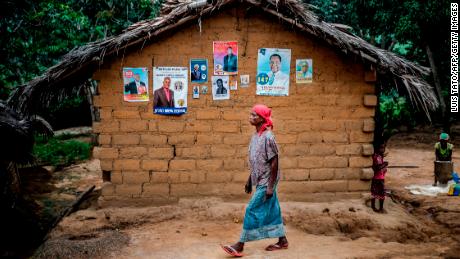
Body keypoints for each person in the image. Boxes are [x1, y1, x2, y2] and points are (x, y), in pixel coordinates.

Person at [221, 104, 288, 257]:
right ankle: (282, 240)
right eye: (250, 114)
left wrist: (270, 186)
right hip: (259, 179)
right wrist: (249, 179)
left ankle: (240, 245)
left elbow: (274, 162)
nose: (250, 117)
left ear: (262, 119)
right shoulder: (255, 136)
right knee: (273, 209)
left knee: (251, 209)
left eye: (254, 115)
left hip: (267, 181)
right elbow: (256, 160)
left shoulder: (268, 137)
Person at [371, 142, 388, 213]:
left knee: (375, 193)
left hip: (379, 177)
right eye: (381, 148)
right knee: (380, 193)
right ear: (377, 148)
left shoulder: (379, 156)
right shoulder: (377, 156)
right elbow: (377, 168)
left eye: (383, 148)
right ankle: (379, 208)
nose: (383, 149)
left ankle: (374, 207)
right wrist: (384, 164)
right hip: (378, 178)